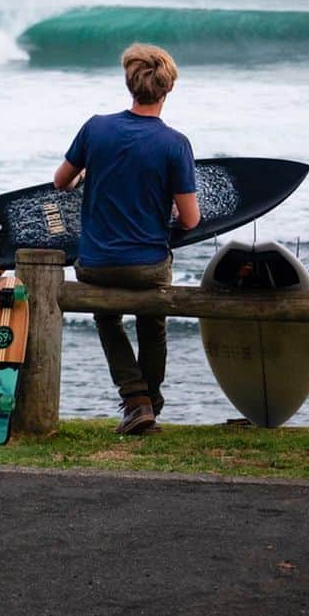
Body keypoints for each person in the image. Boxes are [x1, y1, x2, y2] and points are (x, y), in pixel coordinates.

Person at [53, 43, 200, 436]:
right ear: (167, 91)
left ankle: (136, 400)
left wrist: (89, 177)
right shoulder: (175, 144)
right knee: (152, 322)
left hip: (95, 264)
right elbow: (190, 219)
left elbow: (60, 181)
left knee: (107, 317)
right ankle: (147, 400)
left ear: (129, 84)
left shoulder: (95, 127)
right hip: (148, 266)